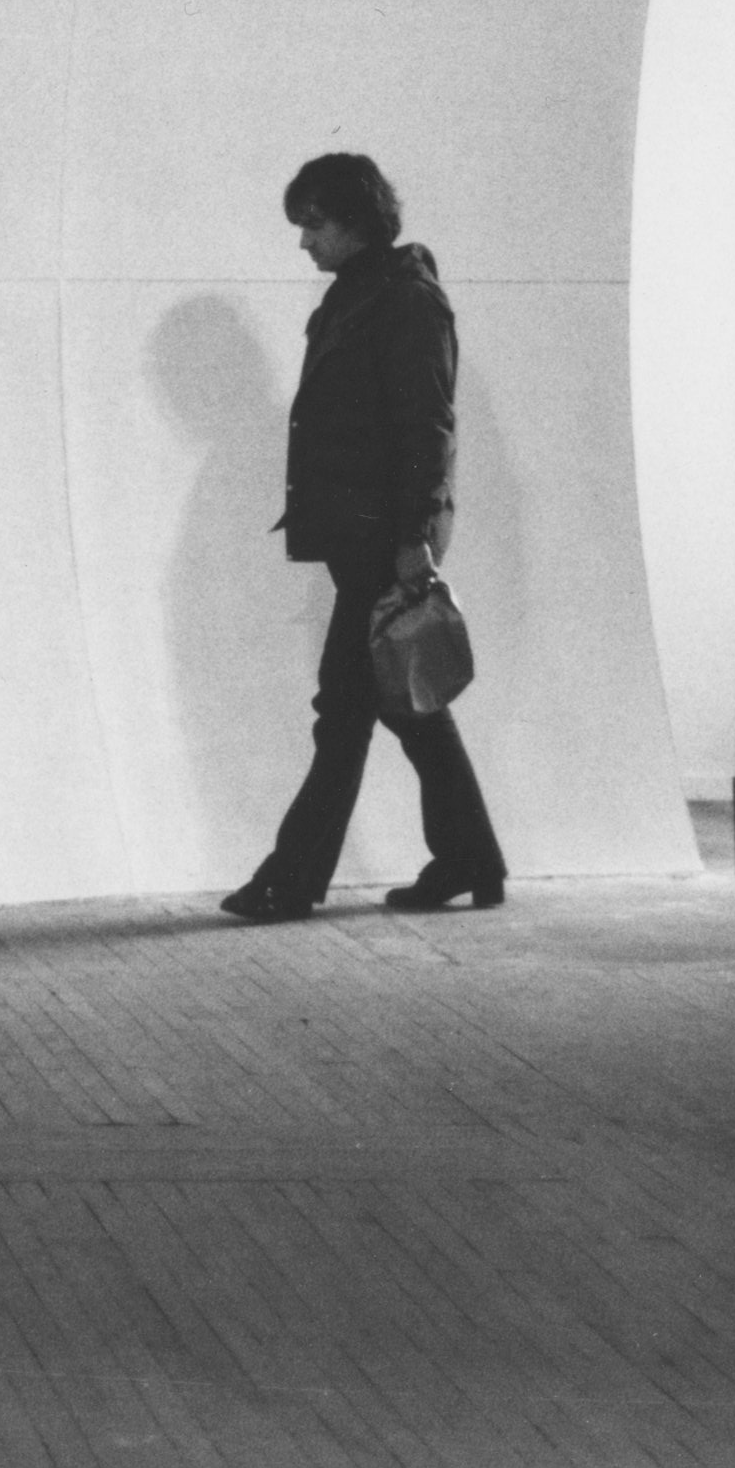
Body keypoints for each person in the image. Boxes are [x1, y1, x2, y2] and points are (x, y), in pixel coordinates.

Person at [221, 151, 508, 922]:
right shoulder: (362, 293)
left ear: (356, 217)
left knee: (345, 711)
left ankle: (291, 879)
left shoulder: (405, 300)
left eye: (314, 224)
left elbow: (427, 430)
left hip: (386, 540)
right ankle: (470, 858)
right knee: (400, 703)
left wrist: (415, 537)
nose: (303, 242)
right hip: (366, 538)